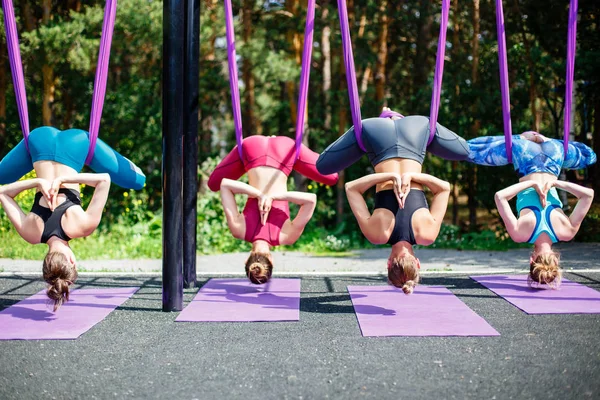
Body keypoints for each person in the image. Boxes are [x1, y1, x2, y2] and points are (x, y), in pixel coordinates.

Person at [0, 126, 145, 310]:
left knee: (139, 181)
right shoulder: (31, 233)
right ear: (45, 262)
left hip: (77, 144)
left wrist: (65, 179)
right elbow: (3, 193)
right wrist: (38, 182)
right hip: (38, 139)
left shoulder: (83, 227)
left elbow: (104, 180)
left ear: (72, 262)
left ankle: (138, 175)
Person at [318, 108, 462, 293]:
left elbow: (444, 188)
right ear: (388, 264)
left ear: (417, 263)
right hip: (374, 132)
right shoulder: (377, 234)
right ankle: (388, 119)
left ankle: (396, 118)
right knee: (322, 166)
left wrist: (412, 175)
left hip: (417, 129)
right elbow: (351, 188)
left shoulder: (427, 234)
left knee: (464, 151)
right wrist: (388, 176)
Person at [468, 131, 596, 287]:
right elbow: (499, 196)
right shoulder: (519, 234)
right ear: (531, 260)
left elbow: (588, 195)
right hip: (525, 156)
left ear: (556, 260)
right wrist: (531, 183)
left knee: (590, 156)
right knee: (469, 151)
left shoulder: (567, 232)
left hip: (553, 155)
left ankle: (544, 138)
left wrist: (556, 184)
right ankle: (522, 138)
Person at [208, 135, 338, 284]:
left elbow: (310, 200)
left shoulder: (287, 236)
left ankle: (295, 154)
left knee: (332, 177)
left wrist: (274, 196)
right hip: (251, 147)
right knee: (213, 184)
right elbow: (225, 185)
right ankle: (242, 151)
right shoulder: (238, 229)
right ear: (246, 260)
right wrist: (261, 195)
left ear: (272, 261)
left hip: (286, 150)